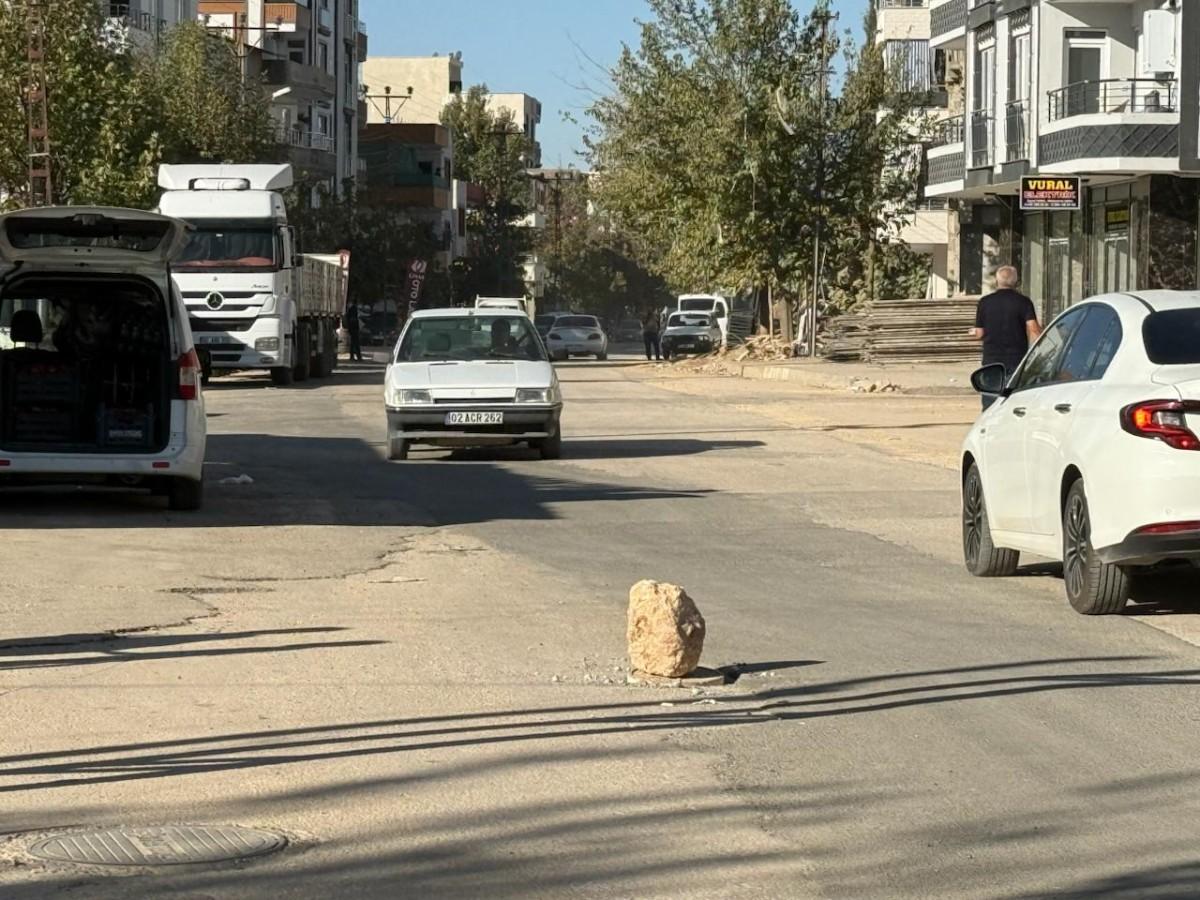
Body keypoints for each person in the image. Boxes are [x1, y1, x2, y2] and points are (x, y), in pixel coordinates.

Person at [971, 265, 1042, 409]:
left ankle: (989, 426)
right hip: (1017, 360)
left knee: (991, 400)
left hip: (992, 360)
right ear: (1016, 282)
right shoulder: (1024, 302)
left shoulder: (985, 302)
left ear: (996, 281)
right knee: (1015, 401)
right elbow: (1034, 329)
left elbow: (979, 334)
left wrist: (971, 333)